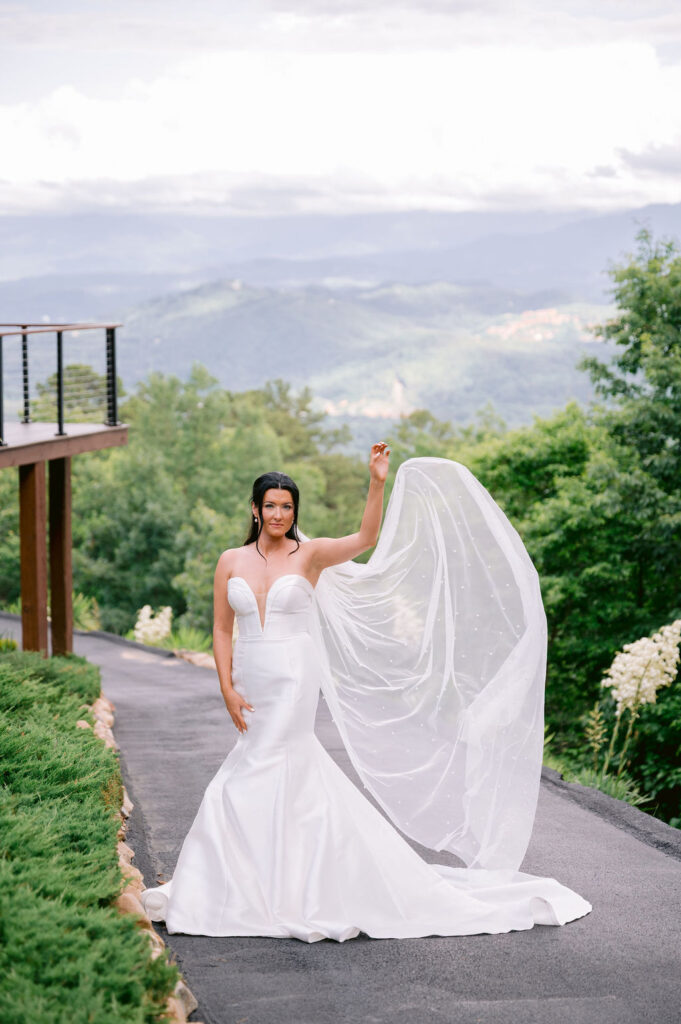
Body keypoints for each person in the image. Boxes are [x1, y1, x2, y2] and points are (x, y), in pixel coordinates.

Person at [141, 443, 592, 941]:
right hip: (251, 674)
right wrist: (225, 685)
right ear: (254, 509)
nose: (277, 513)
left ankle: (278, 889)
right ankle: (262, 879)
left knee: (264, 762)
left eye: (286, 506)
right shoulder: (230, 560)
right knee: (261, 763)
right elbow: (222, 629)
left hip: (294, 674)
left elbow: (365, 537)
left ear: (295, 512)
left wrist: (377, 481)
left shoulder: (309, 555)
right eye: (269, 505)